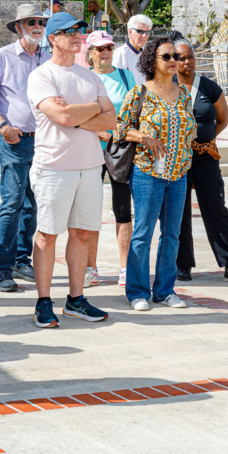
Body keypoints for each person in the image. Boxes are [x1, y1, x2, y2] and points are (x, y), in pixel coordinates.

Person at [27, 12, 115, 328]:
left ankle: (75, 299)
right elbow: (61, 117)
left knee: (80, 234)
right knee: (48, 234)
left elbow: (111, 120)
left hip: (90, 167)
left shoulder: (90, 76)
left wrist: (77, 112)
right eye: (69, 31)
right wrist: (92, 109)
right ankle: (43, 301)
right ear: (52, 38)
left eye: (80, 30)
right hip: (54, 168)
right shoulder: (42, 76)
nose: (78, 35)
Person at [116, 37, 196, 311]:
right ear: (153, 60)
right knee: (143, 232)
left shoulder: (184, 93)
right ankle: (137, 292)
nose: (174, 61)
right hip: (147, 173)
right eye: (167, 56)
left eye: (176, 56)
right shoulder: (140, 92)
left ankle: (165, 290)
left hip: (178, 174)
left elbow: (191, 130)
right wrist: (144, 138)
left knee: (172, 234)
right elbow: (120, 128)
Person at [0, 4, 48, 293]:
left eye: (41, 22)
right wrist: (2, 126)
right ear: (18, 27)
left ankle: (22, 260)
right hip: (14, 140)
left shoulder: (49, 58)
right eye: (31, 22)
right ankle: (2, 269)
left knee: (34, 204)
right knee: (12, 203)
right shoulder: (3, 56)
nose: (37, 26)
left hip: (45, 141)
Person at [174, 37, 228, 283]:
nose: (187, 62)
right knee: (178, 212)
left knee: (215, 209)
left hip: (205, 157)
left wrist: (206, 140)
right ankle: (183, 265)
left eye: (190, 56)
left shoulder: (209, 87)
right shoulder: (166, 86)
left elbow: (222, 120)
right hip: (178, 159)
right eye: (180, 58)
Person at [85, 30, 136, 287]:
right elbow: (79, 115)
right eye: (100, 49)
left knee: (123, 210)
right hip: (90, 149)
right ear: (90, 53)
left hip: (120, 150)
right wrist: (99, 130)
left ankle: (125, 267)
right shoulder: (83, 77)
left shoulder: (126, 76)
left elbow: (136, 110)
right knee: (89, 211)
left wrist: (118, 133)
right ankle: (90, 268)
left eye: (109, 48)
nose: (105, 53)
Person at [112, 14, 152, 85]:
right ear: (130, 32)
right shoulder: (121, 53)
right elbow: (116, 82)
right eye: (140, 31)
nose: (144, 36)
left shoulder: (147, 52)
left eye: (147, 32)